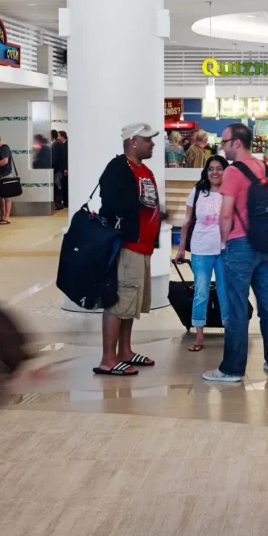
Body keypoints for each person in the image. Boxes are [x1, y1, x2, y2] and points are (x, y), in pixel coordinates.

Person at [203, 122, 268, 382]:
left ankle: (231, 369)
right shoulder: (262, 166)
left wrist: (224, 243)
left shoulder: (233, 171)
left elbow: (226, 213)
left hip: (240, 244)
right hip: (265, 244)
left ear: (237, 142)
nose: (222, 147)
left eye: (224, 142)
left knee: (236, 308)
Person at [94, 123, 164, 376]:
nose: (152, 144)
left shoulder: (143, 169)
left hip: (142, 246)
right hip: (126, 245)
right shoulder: (118, 168)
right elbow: (111, 203)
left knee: (130, 304)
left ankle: (124, 351)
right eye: (148, 140)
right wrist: (135, 213)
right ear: (133, 141)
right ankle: (107, 359)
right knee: (119, 301)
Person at [175, 155, 229, 351]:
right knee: (200, 292)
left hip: (225, 251)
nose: (214, 172)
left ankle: (230, 332)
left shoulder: (230, 193)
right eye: (211, 168)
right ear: (206, 171)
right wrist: (181, 248)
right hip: (201, 249)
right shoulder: (197, 192)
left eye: (219, 168)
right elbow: (187, 222)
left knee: (226, 293)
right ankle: (199, 335)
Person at [52, 130, 69, 210]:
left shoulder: (56, 144)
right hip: (61, 168)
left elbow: (54, 157)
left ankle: (59, 204)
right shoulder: (59, 143)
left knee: (58, 186)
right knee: (60, 185)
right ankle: (61, 203)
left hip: (58, 169)